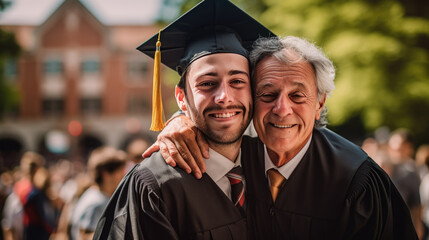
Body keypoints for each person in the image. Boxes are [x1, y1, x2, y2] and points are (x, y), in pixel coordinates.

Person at [146, 36, 418, 239]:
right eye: (267, 95)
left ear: (320, 103)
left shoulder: (355, 179)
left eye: (297, 96)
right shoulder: (236, 150)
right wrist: (179, 121)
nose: (282, 109)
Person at [93, 0, 274, 239]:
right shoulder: (153, 186)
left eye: (238, 81)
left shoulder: (273, 164)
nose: (224, 97)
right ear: (181, 98)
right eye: (207, 84)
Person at [69, 147, 126, 240]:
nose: (124, 175)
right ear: (106, 173)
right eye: (121, 171)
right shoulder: (95, 201)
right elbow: (84, 237)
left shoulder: (99, 196)